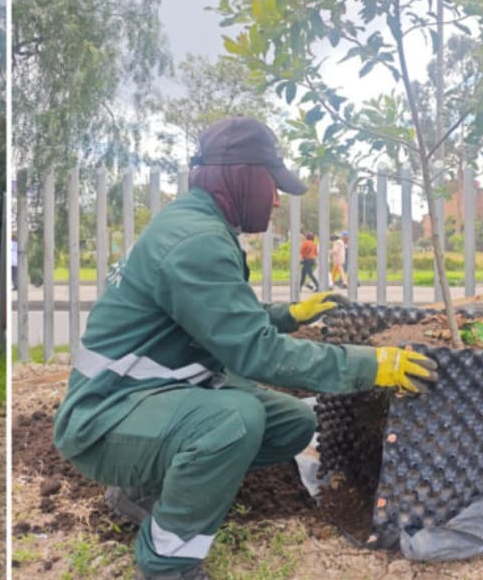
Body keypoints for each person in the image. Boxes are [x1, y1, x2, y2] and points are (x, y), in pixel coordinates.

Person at [52, 116, 438, 580]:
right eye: (271, 183)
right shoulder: (196, 241)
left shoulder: (196, 225)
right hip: (105, 419)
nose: (276, 199)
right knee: (234, 419)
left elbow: (215, 316)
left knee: (293, 422)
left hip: (144, 396)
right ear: (240, 175)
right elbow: (259, 355)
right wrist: (372, 364)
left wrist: (288, 315)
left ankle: (147, 490)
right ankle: (167, 564)